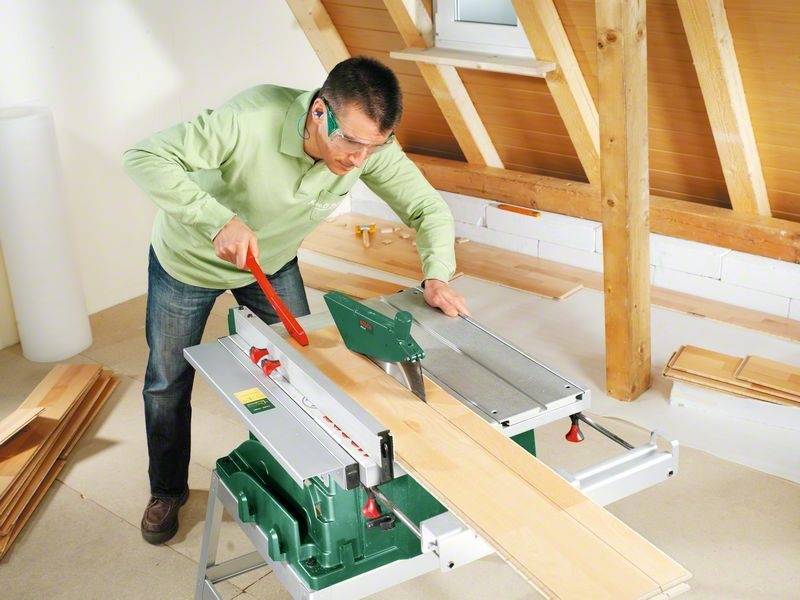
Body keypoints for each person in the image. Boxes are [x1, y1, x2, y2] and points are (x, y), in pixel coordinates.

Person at [122, 56, 468, 545]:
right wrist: (217, 221)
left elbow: (427, 207)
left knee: (302, 376)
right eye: (350, 142)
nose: (358, 160)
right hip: (188, 262)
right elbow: (143, 157)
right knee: (166, 382)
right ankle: (167, 490)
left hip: (272, 262)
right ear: (319, 111)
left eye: (373, 146)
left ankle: (301, 486)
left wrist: (436, 276)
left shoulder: (367, 145)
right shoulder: (249, 119)